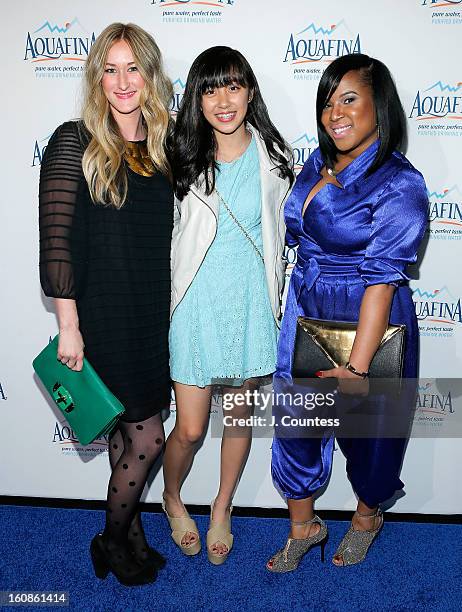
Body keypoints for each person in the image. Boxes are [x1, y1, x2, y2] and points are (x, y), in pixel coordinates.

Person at [266, 53, 428, 572]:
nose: (335, 113)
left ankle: (365, 519)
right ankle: (303, 527)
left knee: (370, 433)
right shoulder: (315, 162)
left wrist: (357, 368)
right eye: (328, 102)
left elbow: (382, 280)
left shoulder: (399, 183)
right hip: (308, 305)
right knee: (297, 424)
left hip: (370, 316)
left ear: (379, 106)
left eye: (349, 99)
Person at [38, 23, 173, 586]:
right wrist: (68, 325)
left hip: (150, 312)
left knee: (126, 436)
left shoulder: (164, 149)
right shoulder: (75, 139)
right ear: (98, 77)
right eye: (110, 69)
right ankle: (111, 540)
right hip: (101, 313)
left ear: (149, 75)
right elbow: (57, 239)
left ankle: (132, 537)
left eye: (133, 68)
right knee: (148, 440)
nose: (122, 81)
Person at [162, 46, 294, 565]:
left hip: (249, 304)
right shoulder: (179, 157)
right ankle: (172, 498)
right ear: (196, 97)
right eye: (210, 88)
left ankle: (222, 507)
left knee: (238, 418)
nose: (223, 100)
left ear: (250, 92)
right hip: (194, 303)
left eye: (233, 86)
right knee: (191, 428)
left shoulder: (276, 159)